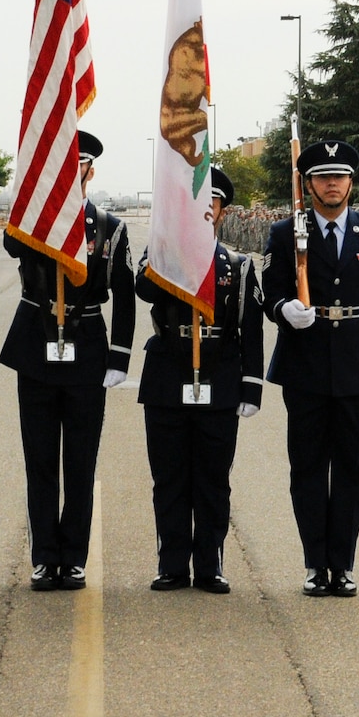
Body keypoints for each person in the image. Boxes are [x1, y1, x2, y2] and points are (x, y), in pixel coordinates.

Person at [261, 139, 359, 598]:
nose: (331, 184)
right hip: (304, 363)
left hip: (358, 364)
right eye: (322, 178)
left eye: (338, 177)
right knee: (306, 467)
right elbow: (271, 290)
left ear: (350, 182)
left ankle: (341, 564)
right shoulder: (287, 233)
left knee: (352, 468)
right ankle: (313, 564)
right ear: (309, 183)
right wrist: (286, 308)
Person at [0, 131, 134, 592]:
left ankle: (73, 557)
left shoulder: (111, 229)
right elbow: (13, 247)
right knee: (39, 460)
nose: (65, 173)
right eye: (56, 164)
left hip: (87, 345)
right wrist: (37, 207)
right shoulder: (31, 222)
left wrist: (120, 354)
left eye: (74, 166)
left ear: (89, 171)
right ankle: (44, 557)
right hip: (36, 342)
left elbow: (126, 297)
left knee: (79, 461)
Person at [135, 164, 262, 593]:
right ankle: (171, 563)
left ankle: (210, 564)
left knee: (212, 480)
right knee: (169, 478)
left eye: (211, 204)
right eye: (193, 204)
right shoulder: (162, 256)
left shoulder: (238, 266)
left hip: (219, 378)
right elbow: (143, 289)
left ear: (221, 211)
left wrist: (252, 387)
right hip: (169, 376)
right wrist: (170, 251)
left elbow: (251, 330)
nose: (202, 211)